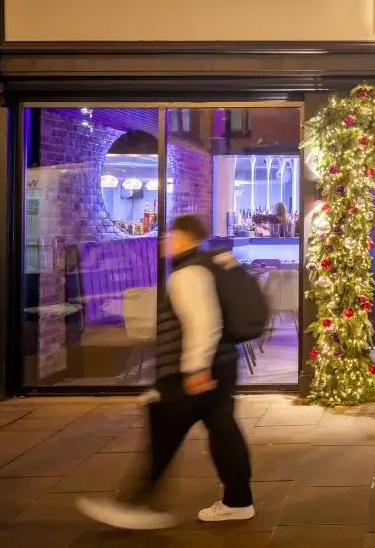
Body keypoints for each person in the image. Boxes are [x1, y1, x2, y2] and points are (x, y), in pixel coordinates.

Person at [77, 214, 254, 529]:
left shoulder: (187, 273)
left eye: (169, 234)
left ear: (185, 238)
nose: (163, 241)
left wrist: (196, 368)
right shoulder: (207, 265)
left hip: (197, 370)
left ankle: (136, 505)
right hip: (222, 363)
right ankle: (238, 501)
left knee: (164, 432)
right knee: (223, 431)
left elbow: (203, 322)